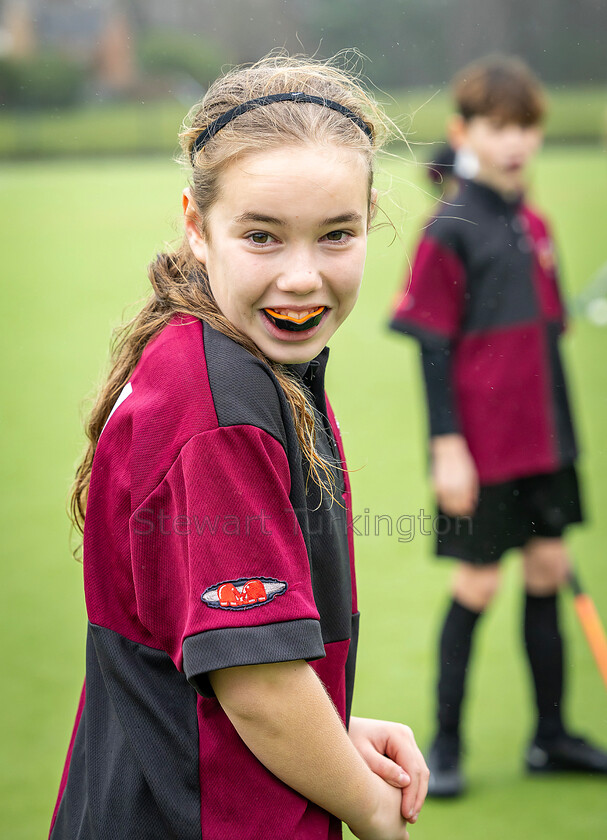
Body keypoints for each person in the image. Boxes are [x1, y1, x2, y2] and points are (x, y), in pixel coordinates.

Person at [48, 55, 429, 840]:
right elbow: (257, 686)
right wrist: (367, 808)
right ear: (196, 224)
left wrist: (333, 733)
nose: (301, 277)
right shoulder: (221, 406)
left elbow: (212, 662)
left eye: (335, 236)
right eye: (261, 236)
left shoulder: (220, 355)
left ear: (369, 220)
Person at [389, 55, 607, 797]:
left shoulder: (532, 221)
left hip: (547, 439)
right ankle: (443, 748)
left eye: (525, 128)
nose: (513, 142)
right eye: (496, 127)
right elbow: (429, 342)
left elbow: (546, 334)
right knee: (478, 585)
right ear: (465, 130)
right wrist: (446, 448)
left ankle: (548, 738)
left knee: (546, 573)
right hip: (482, 449)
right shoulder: (447, 228)